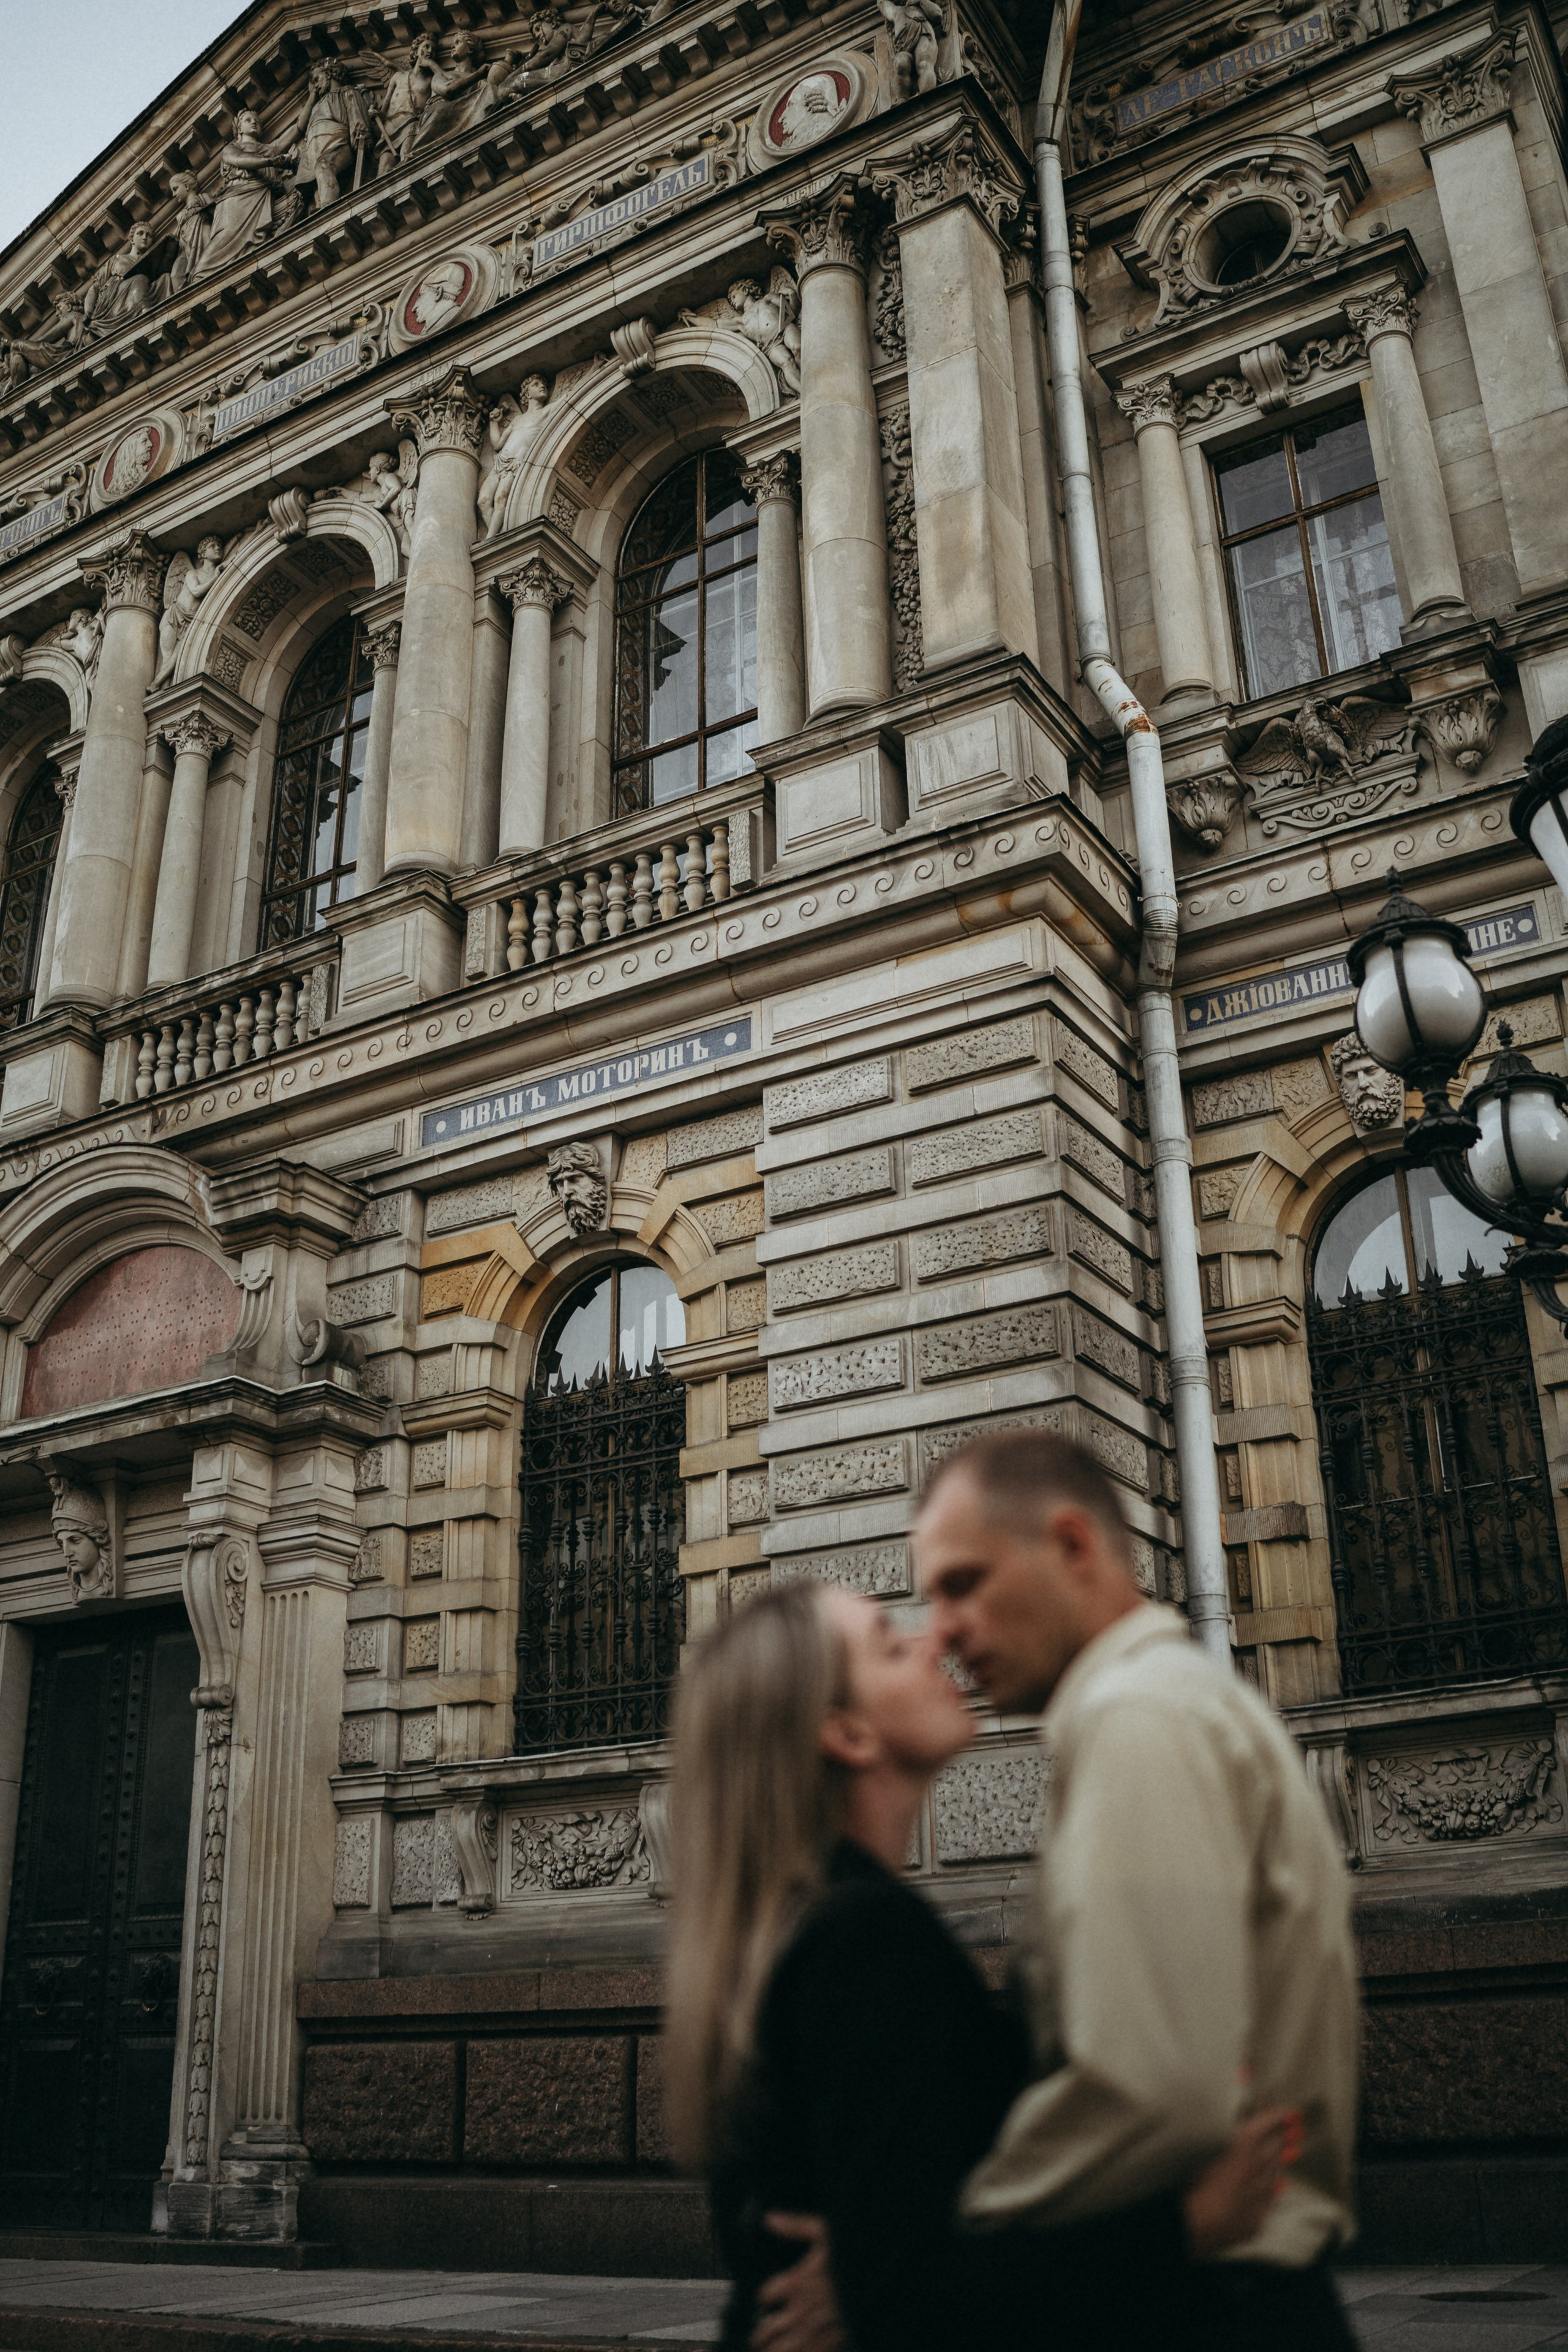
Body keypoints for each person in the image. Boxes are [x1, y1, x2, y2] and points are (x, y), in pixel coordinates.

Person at [665, 1580, 1302, 2352]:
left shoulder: (798, 1933)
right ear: (848, 1734)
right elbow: (914, 2297)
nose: (934, 1638)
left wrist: (870, 2274)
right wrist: (1188, 2224)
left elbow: (893, 2245)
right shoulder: (862, 1940)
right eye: (892, 1646)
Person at [916, 1431, 1360, 2351]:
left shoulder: (1139, 1721)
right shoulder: (1173, 1704)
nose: (942, 1632)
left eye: (963, 1584)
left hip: (1205, 2310)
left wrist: (928, 2246)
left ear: (1074, 1547)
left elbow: (1148, 2088)